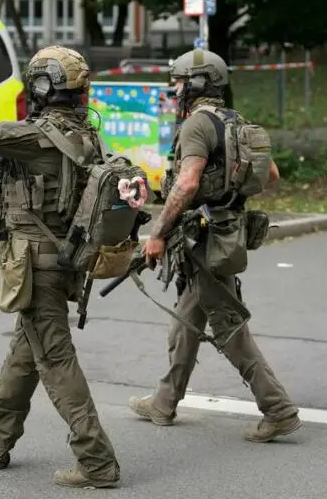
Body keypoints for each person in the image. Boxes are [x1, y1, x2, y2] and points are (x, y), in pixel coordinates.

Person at [0, 46, 120, 489]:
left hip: (36, 265)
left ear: (40, 87)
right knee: (24, 356)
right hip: (62, 260)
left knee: (55, 360)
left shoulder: (36, 136)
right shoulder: (86, 135)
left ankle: (97, 461)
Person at [128, 48, 302, 442]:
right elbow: (270, 174)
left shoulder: (196, 125)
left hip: (203, 241)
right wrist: (229, 194)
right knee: (186, 320)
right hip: (225, 233)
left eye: (178, 82)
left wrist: (156, 234)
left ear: (197, 83)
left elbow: (187, 183)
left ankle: (278, 409)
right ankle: (164, 402)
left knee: (227, 327)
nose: (174, 90)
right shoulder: (237, 122)